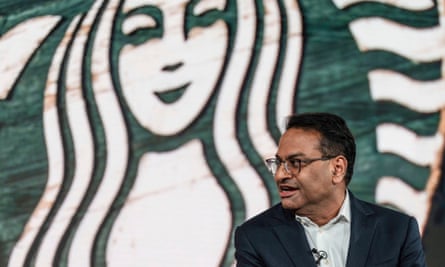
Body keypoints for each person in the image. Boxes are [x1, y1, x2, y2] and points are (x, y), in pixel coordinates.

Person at [234, 112, 426, 267]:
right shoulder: (256, 237)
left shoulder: (398, 231)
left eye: (295, 163)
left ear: (337, 168)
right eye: (278, 163)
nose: (280, 175)